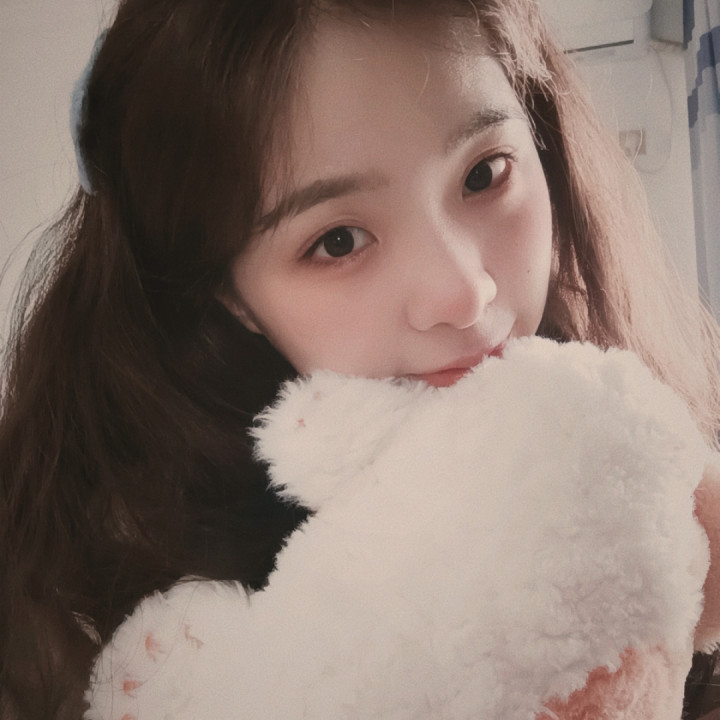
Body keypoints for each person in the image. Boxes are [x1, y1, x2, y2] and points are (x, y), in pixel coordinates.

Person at [0, 0, 719, 718]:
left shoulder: (638, 453)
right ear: (231, 296)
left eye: (484, 174)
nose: (465, 292)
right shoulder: (81, 619)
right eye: (338, 241)